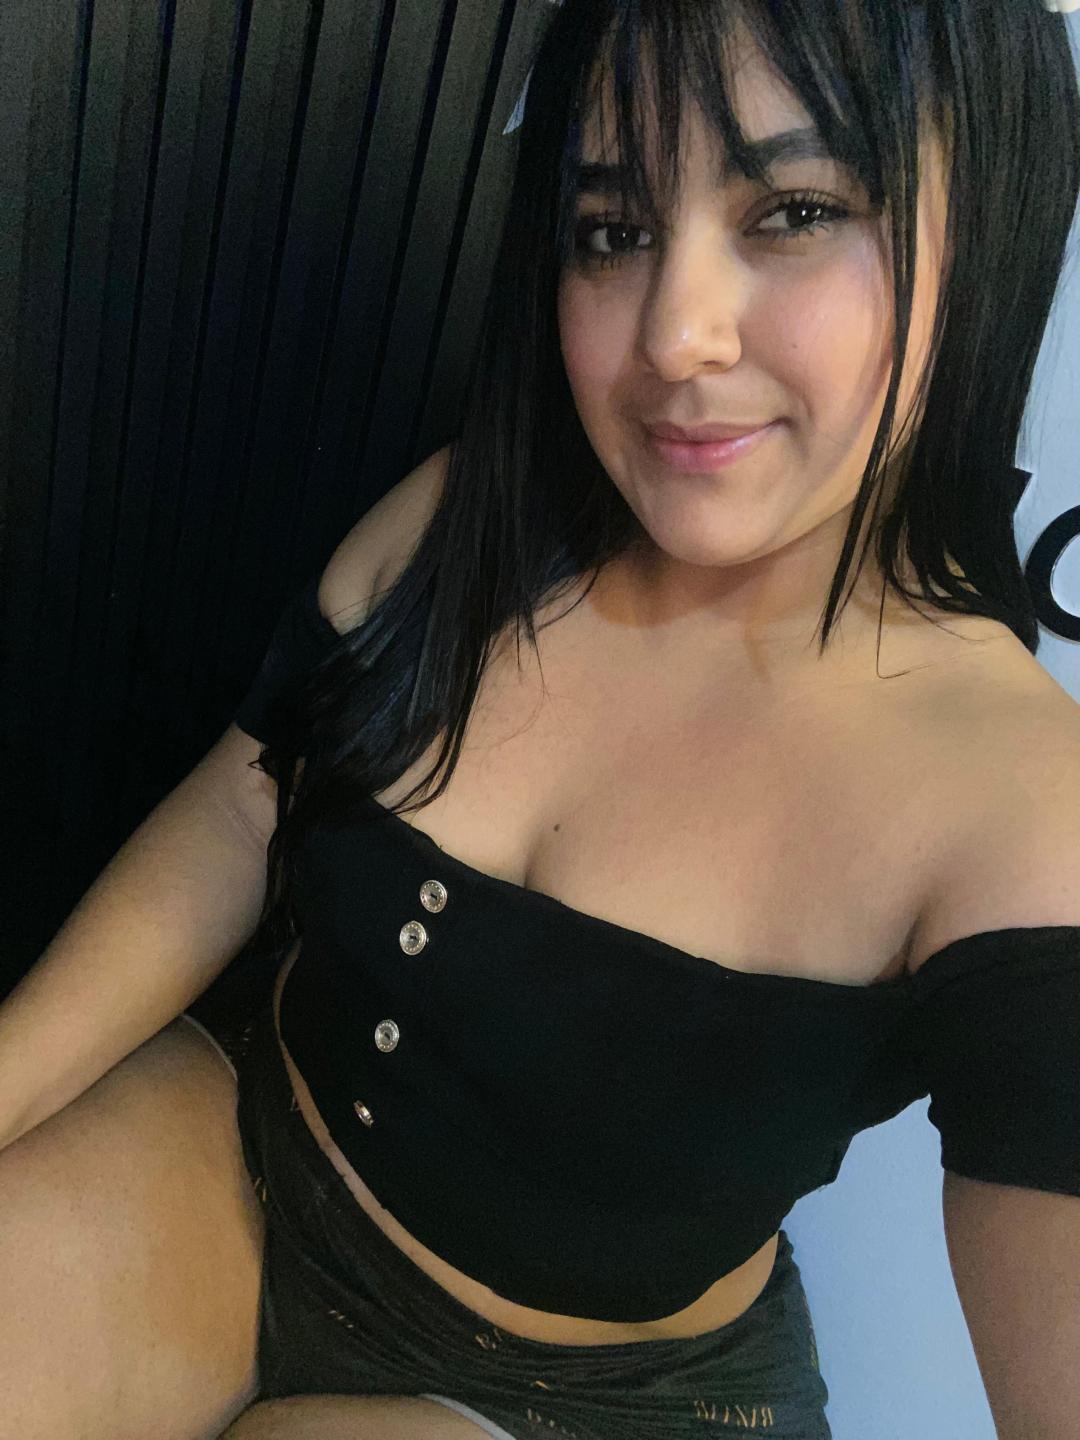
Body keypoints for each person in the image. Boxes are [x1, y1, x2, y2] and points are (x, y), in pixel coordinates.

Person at [2, 2, 1080, 1437]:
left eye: (795, 212)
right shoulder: (478, 515)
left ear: (988, 216)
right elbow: (246, 804)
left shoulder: (1023, 815)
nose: (673, 337)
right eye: (612, 230)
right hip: (252, 1160)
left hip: (602, 1401)